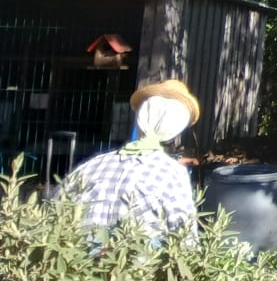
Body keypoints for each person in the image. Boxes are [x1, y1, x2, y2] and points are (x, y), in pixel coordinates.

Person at [61, 78, 201, 241]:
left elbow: (56, 207)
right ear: (178, 125)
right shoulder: (172, 173)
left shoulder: (92, 165)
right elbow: (184, 234)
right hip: (134, 261)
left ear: (141, 116)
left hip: (76, 258)